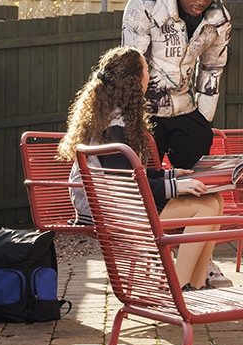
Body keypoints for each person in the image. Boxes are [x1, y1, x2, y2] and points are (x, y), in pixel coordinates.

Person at [59, 46, 225, 291]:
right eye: (146, 69)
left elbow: (130, 175)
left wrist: (172, 175)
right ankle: (177, 288)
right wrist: (175, 187)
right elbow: (123, 185)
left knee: (215, 199)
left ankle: (196, 284)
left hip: (122, 204)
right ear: (134, 81)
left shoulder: (116, 119)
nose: (150, 74)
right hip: (111, 213)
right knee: (206, 208)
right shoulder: (113, 127)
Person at [122, 0, 231, 171]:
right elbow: (133, 64)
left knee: (195, 174)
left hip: (185, 107)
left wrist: (204, 117)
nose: (201, 1)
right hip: (146, 108)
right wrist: (133, 114)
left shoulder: (219, 19)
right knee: (145, 177)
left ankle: (188, 206)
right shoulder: (144, 5)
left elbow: (213, 68)